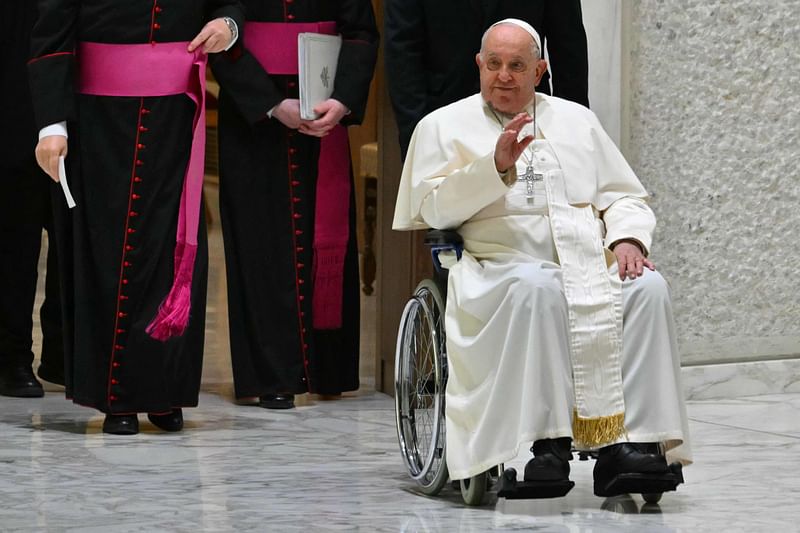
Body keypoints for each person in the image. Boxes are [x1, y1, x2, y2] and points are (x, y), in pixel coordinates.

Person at [393, 19, 691, 498]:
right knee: (540, 286)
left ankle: (636, 445)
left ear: (540, 70)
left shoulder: (577, 120)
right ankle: (547, 447)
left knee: (648, 288)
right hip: (497, 266)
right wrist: (495, 167)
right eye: (494, 64)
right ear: (479, 65)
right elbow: (432, 208)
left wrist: (629, 240)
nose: (504, 76)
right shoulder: (442, 126)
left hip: (588, 262)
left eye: (517, 66)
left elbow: (624, 197)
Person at [29, 1, 244, 435]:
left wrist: (229, 25)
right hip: (99, 123)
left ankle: (164, 392)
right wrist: (52, 125)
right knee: (109, 256)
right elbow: (51, 36)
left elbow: (230, 5)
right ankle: (116, 396)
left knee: (171, 252)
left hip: (175, 118)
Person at [209, 1, 378, 409]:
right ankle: (270, 376)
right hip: (252, 119)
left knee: (322, 238)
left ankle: (328, 369)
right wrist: (270, 103)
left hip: (323, 111)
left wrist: (342, 99)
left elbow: (361, 33)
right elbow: (215, 33)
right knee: (259, 244)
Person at [385, 0, 589, 159]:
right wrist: (417, 134)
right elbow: (402, 50)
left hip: (528, 119)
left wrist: (570, 130)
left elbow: (568, 44)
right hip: (444, 117)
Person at [0, 0, 63, 398]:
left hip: (79, 108)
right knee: (14, 241)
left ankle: (64, 356)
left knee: (71, 240)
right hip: (12, 101)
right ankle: (11, 357)